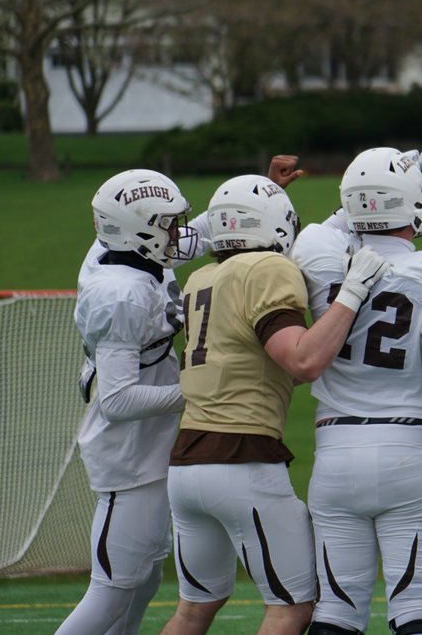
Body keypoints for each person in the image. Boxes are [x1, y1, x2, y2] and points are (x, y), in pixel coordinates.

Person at [161, 175, 389, 635]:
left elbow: (258, 366)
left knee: (193, 609)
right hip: (243, 460)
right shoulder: (267, 268)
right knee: (292, 606)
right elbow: (302, 360)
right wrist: (352, 292)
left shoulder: (202, 277)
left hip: (186, 465)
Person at [291, 147, 422, 635]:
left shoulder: (318, 252)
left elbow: (326, 229)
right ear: (416, 205)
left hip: (334, 454)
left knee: (335, 611)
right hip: (412, 450)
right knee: (417, 604)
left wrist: (365, 193)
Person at [60, 169, 199, 635]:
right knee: (112, 589)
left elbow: (197, 237)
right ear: (141, 230)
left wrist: (259, 199)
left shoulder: (128, 251)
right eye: (168, 224)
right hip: (129, 456)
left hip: (149, 448)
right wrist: (199, 391)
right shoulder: (121, 293)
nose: (179, 234)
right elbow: (117, 400)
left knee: (143, 578)